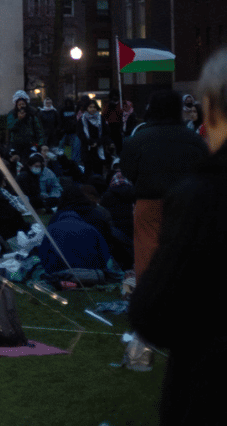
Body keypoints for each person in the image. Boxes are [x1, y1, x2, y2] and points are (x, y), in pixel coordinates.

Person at [130, 46, 227, 425]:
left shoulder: (205, 196)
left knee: (147, 253)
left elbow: (152, 313)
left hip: (208, 386)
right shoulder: (190, 147)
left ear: (212, 107)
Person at [120, 89, 208, 276]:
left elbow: (128, 171)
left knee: (148, 252)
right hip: (186, 203)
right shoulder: (194, 139)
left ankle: (150, 295)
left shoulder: (137, 140)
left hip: (149, 201)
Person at [79, 99, 110, 178]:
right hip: (87, 149)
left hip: (98, 149)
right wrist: (90, 142)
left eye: (94, 107)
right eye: (90, 107)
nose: (92, 109)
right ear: (86, 108)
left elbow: (106, 133)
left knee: (98, 172)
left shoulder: (101, 119)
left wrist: (98, 142)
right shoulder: (82, 119)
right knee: (88, 172)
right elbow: (80, 134)